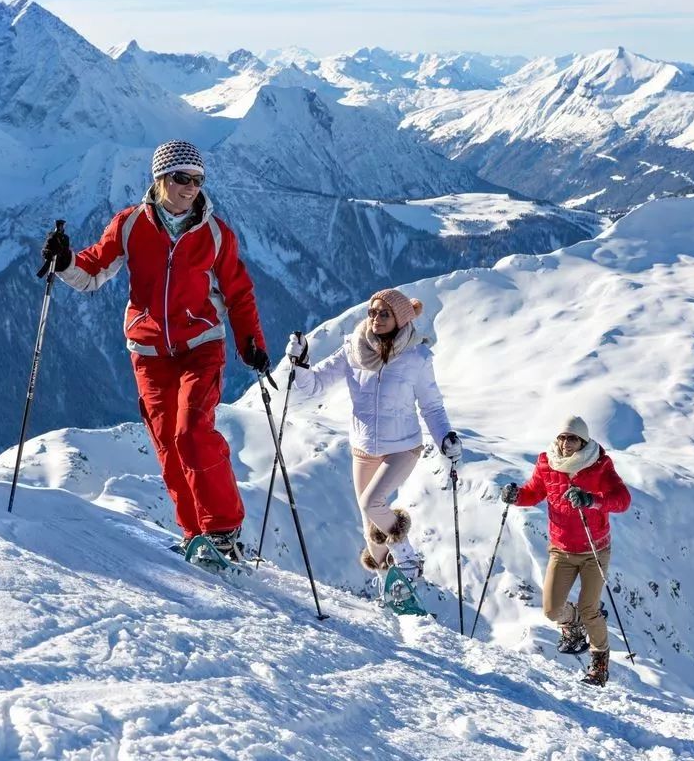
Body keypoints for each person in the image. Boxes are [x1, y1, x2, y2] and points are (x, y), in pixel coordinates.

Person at [41, 140, 269, 559]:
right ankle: (194, 533)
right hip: (148, 353)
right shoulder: (130, 225)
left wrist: (251, 343)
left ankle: (223, 531)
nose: (191, 188)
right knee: (167, 443)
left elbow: (239, 293)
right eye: (183, 178)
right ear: (161, 179)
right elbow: (92, 270)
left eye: (198, 180)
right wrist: (65, 259)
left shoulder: (216, 235)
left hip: (201, 347)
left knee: (192, 432)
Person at [285, 289, 460, 581]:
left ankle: (406, 557)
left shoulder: (417, 357)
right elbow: (313, 386)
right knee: (371, 533)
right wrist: (301, 364)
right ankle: (391, 585)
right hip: (363, 448)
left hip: (403, 447)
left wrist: (445, 438)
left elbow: (431, 406)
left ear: (400, 319)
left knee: (372, 503)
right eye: (372, 312)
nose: (376, 318)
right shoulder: (353, 349)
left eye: (384, 313)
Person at [500, 416, 630, 687]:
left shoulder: (599, 464)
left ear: (583, 441)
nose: (565, 443)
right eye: (562, 437)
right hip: (561, 549)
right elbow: (534, 492)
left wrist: (592, 500)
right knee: (551, 610)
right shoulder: (547, 462)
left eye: (572, 438)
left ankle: (598, 665)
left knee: (590, 608)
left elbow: (622, 500)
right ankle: (573, 624)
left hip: (595, 549)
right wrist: (515, 496)